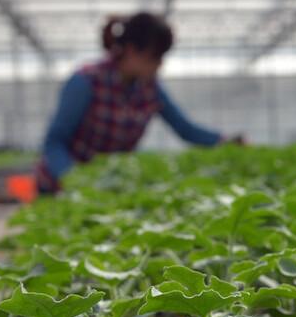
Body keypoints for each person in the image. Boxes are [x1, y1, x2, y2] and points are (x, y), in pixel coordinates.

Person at [34, 12, 241, 194]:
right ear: (131, 50)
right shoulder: (86, 81)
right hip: (59, 188)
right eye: (154, 57)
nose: (159, 65)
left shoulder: (150, 89)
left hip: (105, 187)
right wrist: (75, 179)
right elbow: (55, 142)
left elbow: (184, 128)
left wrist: (225, 141)